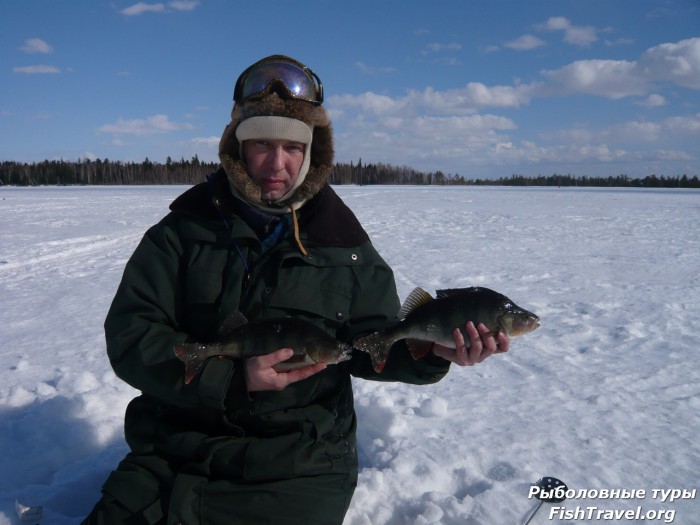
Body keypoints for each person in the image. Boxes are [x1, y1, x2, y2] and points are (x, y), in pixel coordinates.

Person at [83, 54, 509, 525]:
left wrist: (433, 352)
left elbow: (373, 342)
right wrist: (229, 380)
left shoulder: (345, 246)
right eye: (262, 143)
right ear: (237, 148)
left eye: (293, 147)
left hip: (297, 465)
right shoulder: (181, 234)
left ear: (312, 154)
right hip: (175, 448)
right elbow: (130, 333)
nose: (277, 164)